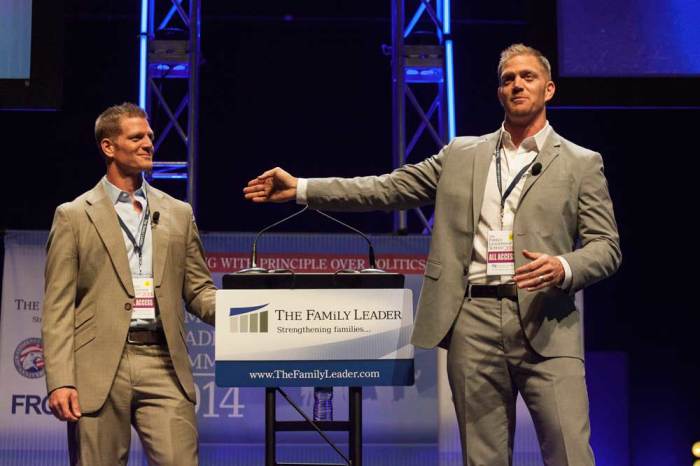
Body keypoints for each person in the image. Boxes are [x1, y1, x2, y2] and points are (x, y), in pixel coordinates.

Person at [243, 43, 621, 465]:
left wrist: (564, 266)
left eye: (527, 77)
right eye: (507, 79)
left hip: (546, 318)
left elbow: (606, 247)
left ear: (548, 89)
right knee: (483, 458)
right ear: (499, 92)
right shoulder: (462, 154)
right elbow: (386, 188)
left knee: (570, 453)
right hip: (473, 321)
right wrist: (302, 189)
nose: (516, 85)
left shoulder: (581, 163)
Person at [42, 102, 216, 466]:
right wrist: (60, 380)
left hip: (163, 361)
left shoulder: (177, 213)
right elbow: (57, 306)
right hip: (99, 365)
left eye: (150, 136)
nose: (148, 144)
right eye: (136, 137)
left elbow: (199, 291)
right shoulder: (74, 215)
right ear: (109, 147)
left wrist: (243, 314)